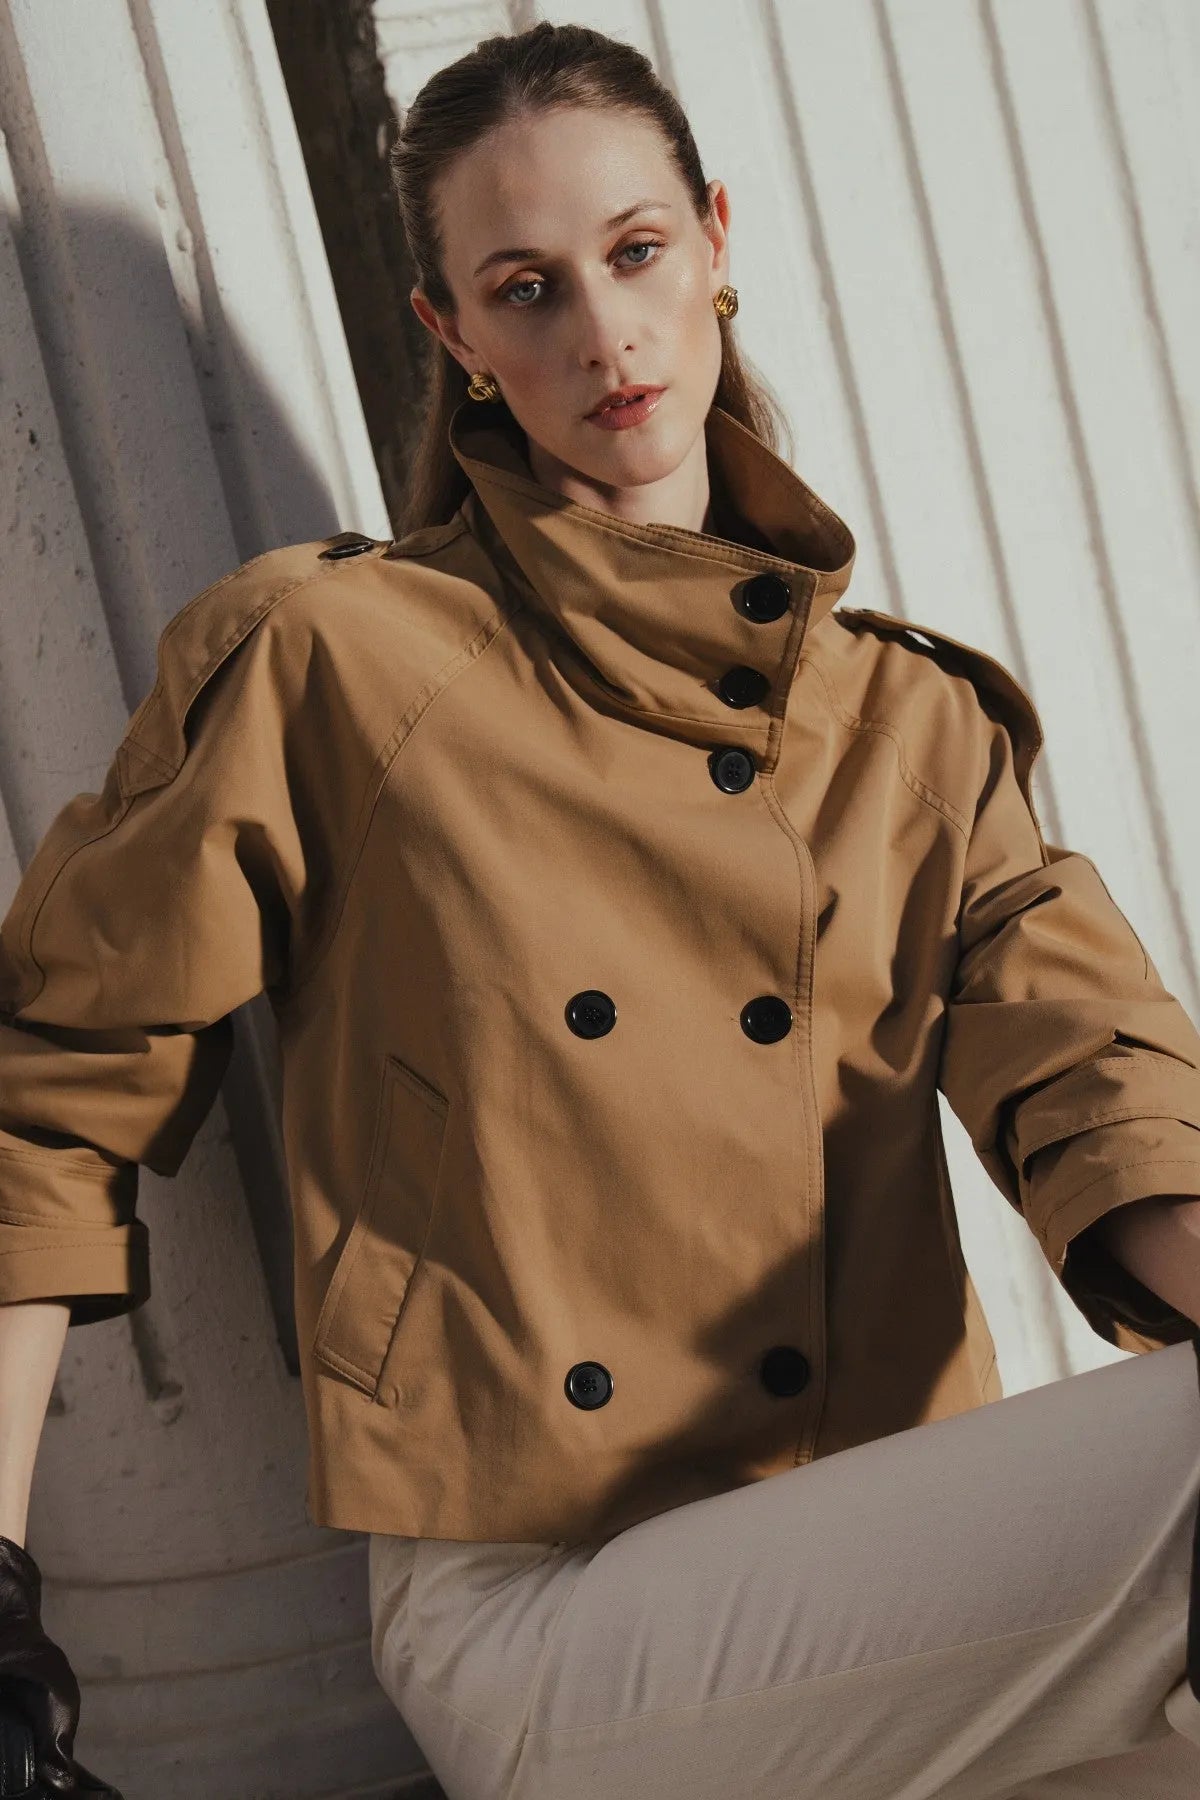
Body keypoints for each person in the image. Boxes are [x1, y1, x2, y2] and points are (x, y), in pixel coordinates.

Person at [3, 18, 1200, 1800]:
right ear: (454, 336)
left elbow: (1104, 1097)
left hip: (906, 1583)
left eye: (635, 251)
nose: (602, 330)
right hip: (557, 1617)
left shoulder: (909, 722)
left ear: (714, 240)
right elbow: (47, 1088)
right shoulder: (342, 662)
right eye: (527, 288)